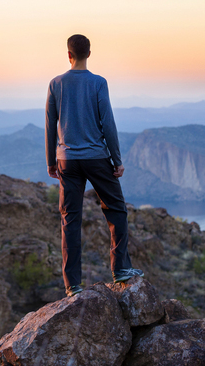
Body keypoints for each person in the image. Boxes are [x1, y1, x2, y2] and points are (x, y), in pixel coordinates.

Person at [45, 34, 143, 297]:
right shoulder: (98, 83)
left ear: (69, 54)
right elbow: (107, 123)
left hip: (66, 160)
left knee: (70, 220)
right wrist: (117, 159)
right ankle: (120, 268)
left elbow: (50, 124)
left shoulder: (56, 83)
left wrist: (51, 161)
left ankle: (72, 285)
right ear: (89, 53)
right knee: (116, 210)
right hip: (96, 158)